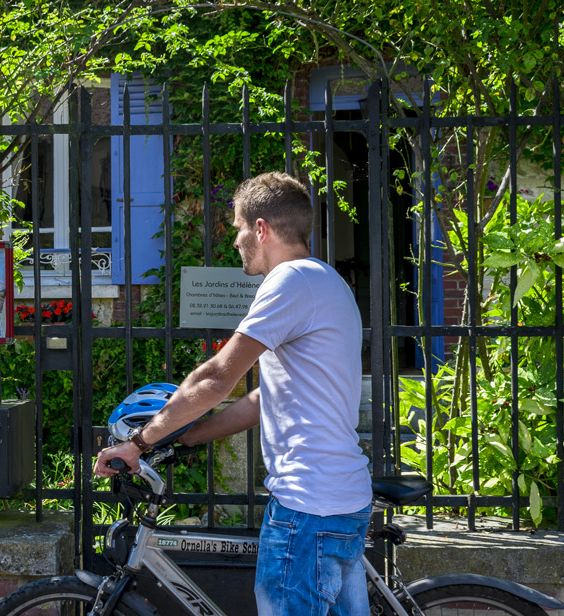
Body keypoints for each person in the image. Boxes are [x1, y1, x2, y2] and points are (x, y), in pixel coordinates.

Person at [94, 172, 371, 616]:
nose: (236, 240)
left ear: (261, 228)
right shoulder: (327, 282)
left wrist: (139, 441)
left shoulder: (290, 281)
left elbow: (216, 378)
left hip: (308, 508)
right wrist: (185, 436)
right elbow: (264, 399)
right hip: (341, 501)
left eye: (239, 228)